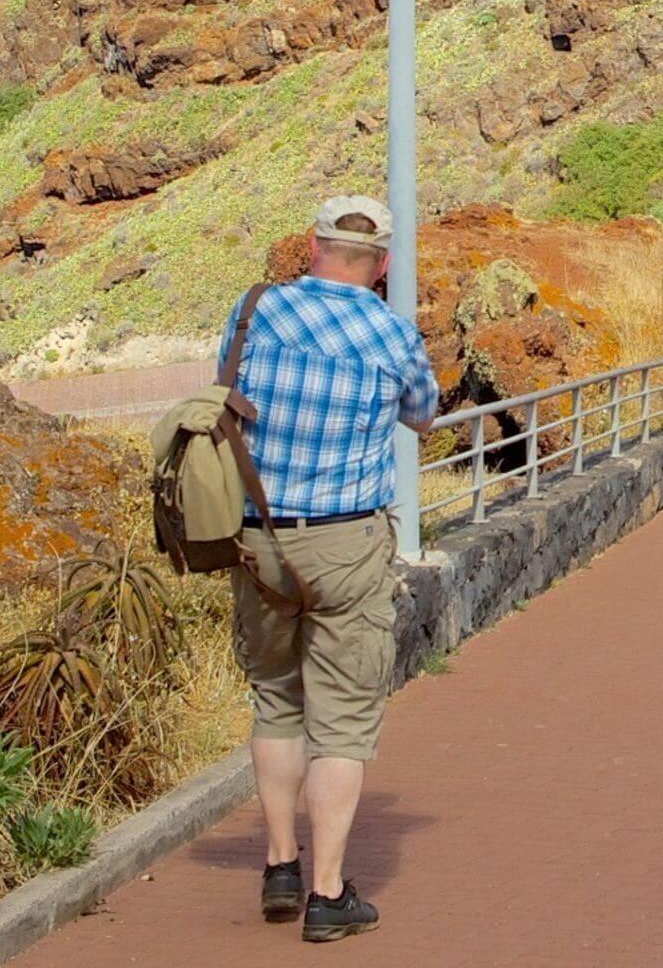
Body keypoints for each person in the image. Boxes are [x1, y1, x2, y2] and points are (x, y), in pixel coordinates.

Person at [230, 195, 439, 944]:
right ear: (382, 265)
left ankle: (280, 863)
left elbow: (229, 389)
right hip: (346, 541)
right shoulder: (389, 329)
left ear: (312, 250)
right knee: (343, 719)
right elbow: (423, 412)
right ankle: (327, 894)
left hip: (258, 536)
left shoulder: (257, 309)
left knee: (276, 698)